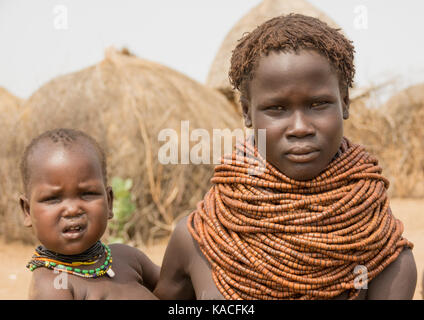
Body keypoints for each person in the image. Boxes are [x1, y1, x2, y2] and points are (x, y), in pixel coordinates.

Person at [154, 14, 417, 300]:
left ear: (345, 103)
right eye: (277, 108)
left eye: (318, 104)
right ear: (246, 112)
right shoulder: (197, 242)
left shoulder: (384, 258)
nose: (301, 128)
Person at [20, 128, 159, 299]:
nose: (72, 210)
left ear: (109, 202)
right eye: (53, 198)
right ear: (27, 211)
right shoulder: (52, 286)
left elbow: (177, 289)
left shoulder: (128, 257)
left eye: (87, 194)